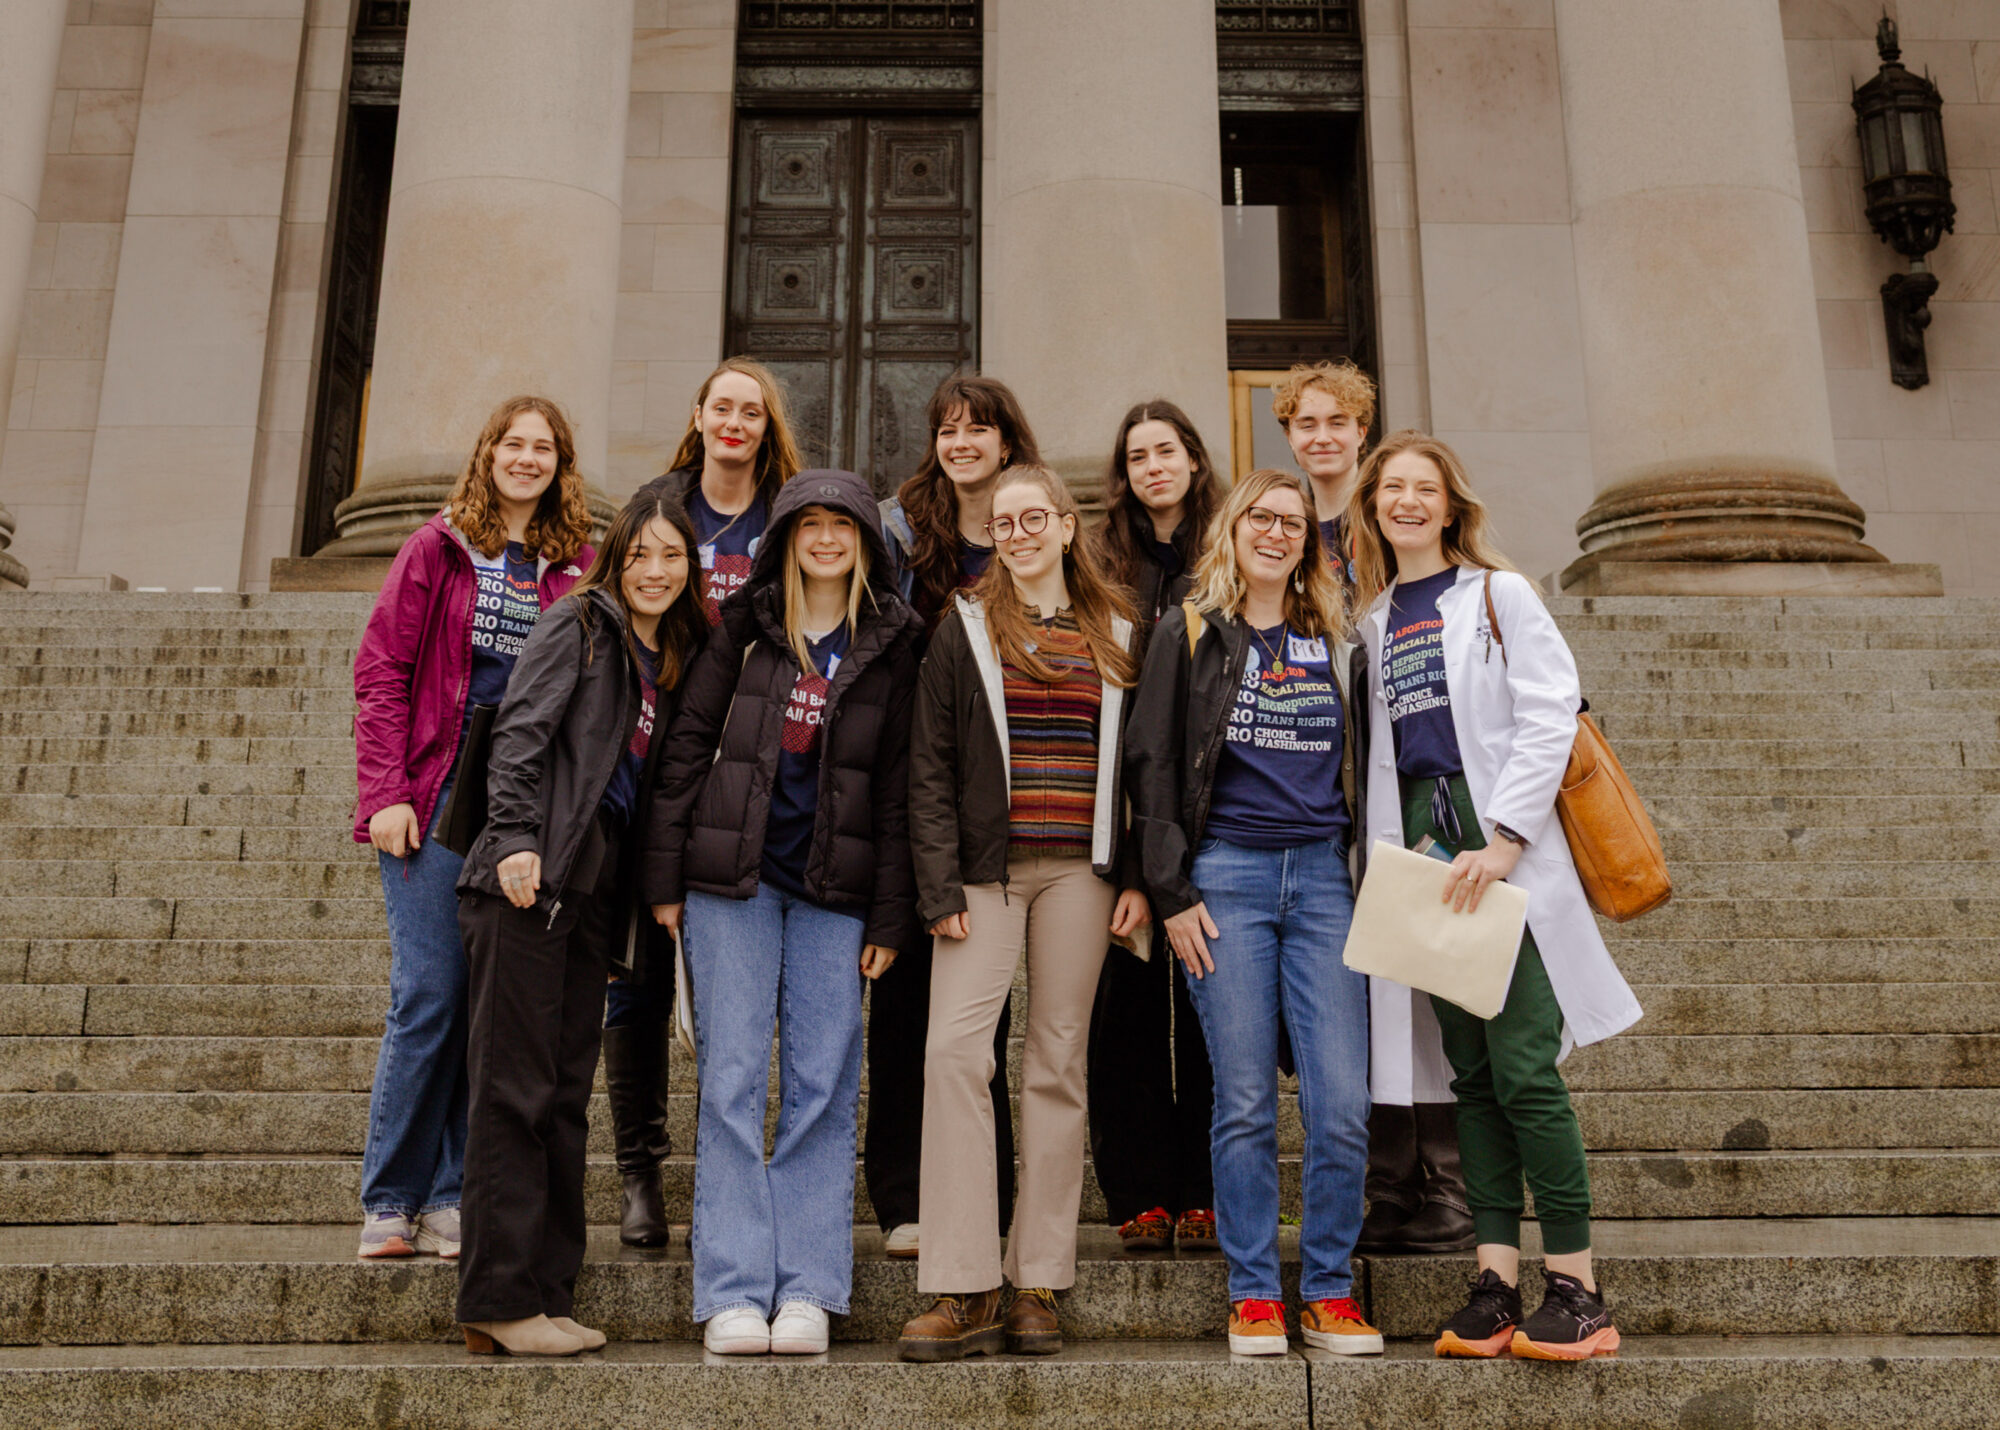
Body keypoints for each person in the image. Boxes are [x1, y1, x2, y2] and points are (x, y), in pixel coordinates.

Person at [1349, 430, 1642, 1362]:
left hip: (1500, 847)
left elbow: (1552, 708)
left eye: (1422, 488)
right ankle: (1496, 1280)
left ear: (1450, 503)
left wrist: (1507, 839)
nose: (1406, 501)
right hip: (1428, 858)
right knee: (1468, 1076)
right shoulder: (1374, 617)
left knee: (1522, 1068)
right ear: (1371, 505)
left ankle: (1578, 1287)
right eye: (1390, 487)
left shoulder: (1498, 594)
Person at [645, 469, 923, 1356]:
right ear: (789, 538)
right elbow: (685, 745)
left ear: (866, 543)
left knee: (824, 1082)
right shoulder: (745, 626)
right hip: (735, 879)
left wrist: (889, 917)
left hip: (836, 891)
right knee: (730, 1081)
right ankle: (731, 1289)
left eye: (845, 525)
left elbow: (899, 789)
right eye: (813, 525)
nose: (829, 539)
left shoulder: (894, 639)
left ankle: (806, 1286)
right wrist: (662, 878)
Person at [1125, 467, 1382, 1359]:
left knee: (1343, 1101)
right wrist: (1170, 892)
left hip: (1323, 885)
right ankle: (1252, 1292)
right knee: (1241, 1100)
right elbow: (1150, 765)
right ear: (1232, 530)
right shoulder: (1189, 631)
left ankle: (1326, 1289)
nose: (1277, 532)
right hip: (1226, 880)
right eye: (1261, 518)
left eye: (1293, 522)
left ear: (1310, 541)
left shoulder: (1336, 638)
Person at [896, 465, 1148, 1362]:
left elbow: (1140, 766)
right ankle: (964, 1286)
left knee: (1055, 1063)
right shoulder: (963, 628)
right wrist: (936, 889)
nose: (1018, 533)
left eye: (1033, 516)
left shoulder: (1119, 629)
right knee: (956, 1055)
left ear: (1068, 524)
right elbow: (926, 769)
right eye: (1003, 523)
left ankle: (1036, 1280)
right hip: (982, 877)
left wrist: (1140, 879)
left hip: (1081, 875)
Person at [454, 488, 708, 1357]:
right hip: (530, 873)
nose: (656, 570)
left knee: (562, 1096)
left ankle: (546, 1293)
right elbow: (520, 732)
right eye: (642, 553)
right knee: (511, 1089)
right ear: (617, 556)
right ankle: (496, 1298)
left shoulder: (662, 656)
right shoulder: (580, 625)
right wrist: (517, 838)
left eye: (673, 556)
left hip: (590, 887)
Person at [349, 396, 595, 1263]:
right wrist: (386, 790)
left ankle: (455, 1192)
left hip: (521, 795)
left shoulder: (575, 565)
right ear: (487, 452)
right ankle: (391, 1197)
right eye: (513, 444)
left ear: (563, 465)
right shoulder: (440, 545)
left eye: (544, 448)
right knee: (431, 993)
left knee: (490, 1000)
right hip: (436, 782)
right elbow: (382, 670)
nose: (526, 459)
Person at [605, 356, 804, 1248]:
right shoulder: (660, 504)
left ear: (768, 427)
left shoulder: (791, 511)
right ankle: (641, 1174)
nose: (735, 423)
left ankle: (747, 1172)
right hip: (656, 757)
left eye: (751, 412)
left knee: (743, 998)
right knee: (641, 985)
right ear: (698, 415)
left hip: (759, 764)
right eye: (722, 407)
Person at [1274, 358, 1472, 1254]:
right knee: (1365, 995)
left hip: (1409, 782)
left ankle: (1447, 1184)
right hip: (1327, 793)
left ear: (1362, 431)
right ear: (1288, 434)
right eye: (1306, 424)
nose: (1322, 438)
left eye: (1337, 424)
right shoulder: (1280, 524)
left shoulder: (1390, 519)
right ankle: (1385, 1186)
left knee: (1423, 986)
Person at [865, 373, 1034, 1260]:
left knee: (982, 1017)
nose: (962, 442)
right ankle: (901, 1195)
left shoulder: (1030, 529)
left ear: (1009, 442)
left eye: (979, 429)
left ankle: (983, 1195)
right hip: (905, 779)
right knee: (899, 1004)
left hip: (997, 797)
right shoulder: (901, 532)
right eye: (949, 429)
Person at [1082, 400, 1224, 1254]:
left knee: (1211, 1011)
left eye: (1165, 450)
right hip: (1122, 815)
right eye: (1137, 457)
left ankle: (1204, 1187)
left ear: (1194, 459)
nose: (1152, 467)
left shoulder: (1228, 552)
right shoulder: (1103, 564)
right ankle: (1137, 1189)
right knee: (1125, 1014)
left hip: (1217, 818)